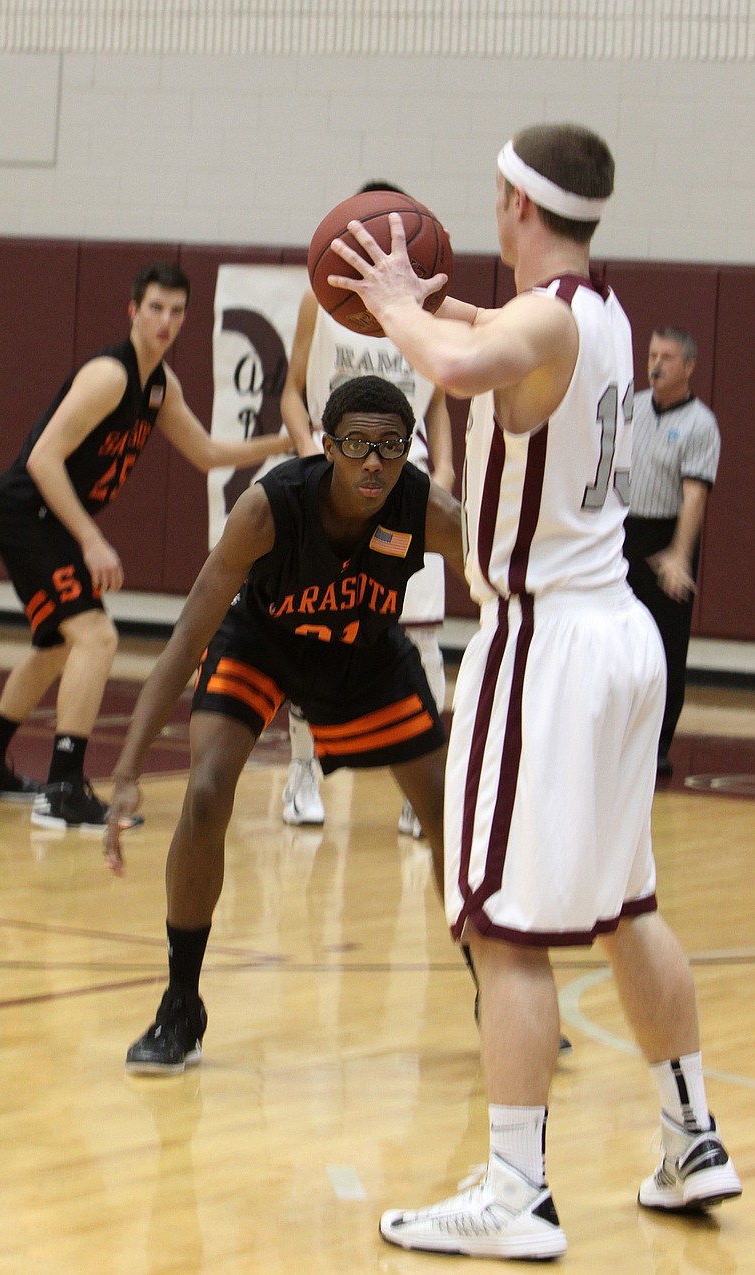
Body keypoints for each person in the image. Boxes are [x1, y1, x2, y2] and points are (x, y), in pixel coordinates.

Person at [328, 124, 741, 1259]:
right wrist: (420, 301)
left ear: (513, 197)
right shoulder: (598, 312)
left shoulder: (550, 318)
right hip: (618, 639)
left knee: (498, 926)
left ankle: (516, 1187)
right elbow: (481, 333)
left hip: (543, 642)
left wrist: (388, 302)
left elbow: (458, 364)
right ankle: (690, 1133)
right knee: (627, 905)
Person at [104, 375, 466, 1073]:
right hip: (264, 643)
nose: (373, 462)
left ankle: (498, 983)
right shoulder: (267, 509)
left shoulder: (429, 509)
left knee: (447, 816)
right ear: (327, 446)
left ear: (407, 452)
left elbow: (510, 586)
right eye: (356, 444)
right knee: (205, 793)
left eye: (391, 447)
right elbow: (186, 639)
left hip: (366, 654)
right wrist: (125, 769)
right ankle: (181, 1003)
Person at [0, 262, 292, 830]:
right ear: (133, 310)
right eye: (155, 308)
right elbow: (41, 460)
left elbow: (205, 453)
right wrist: (91, 539)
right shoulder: (111, 375)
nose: (165, 321)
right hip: (26, 511)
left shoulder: (160, 385)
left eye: (176, 311)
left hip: (48, 518)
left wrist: (285, 439)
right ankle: (62, 789)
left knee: (61, 645)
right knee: (98, 636)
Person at [280, 182, 455, 836]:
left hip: (405, 489)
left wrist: (443, 473)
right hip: (335, 484)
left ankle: (421, 781)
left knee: (425, 640)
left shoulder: (426, 311)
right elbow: (292, 393)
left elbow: (438, 404)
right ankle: (305, 767)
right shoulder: (320, 302)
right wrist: (308, 454)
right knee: (316, 634)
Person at [623, 328, 720, 777]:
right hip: (622, 533)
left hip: (668, 538)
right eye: (651, 354)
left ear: (689, 367)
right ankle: (615, 738)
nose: (655, 364)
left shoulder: (701, 424)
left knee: (664, 647)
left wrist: (680, 555)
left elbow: (695, 495)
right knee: (618, 643)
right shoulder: (631, 408)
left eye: (667, 357)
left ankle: (657, 747)